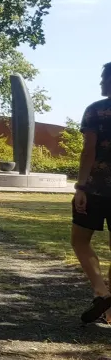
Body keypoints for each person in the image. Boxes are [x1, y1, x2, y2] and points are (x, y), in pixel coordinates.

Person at [72, 62, 111, 324]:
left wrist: (80, 187)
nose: (100, 83)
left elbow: (89, 151)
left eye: (103, 78)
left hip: (96, 188)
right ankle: (110, 312)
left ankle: (101, 292)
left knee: (80, 240)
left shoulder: (95, 111)